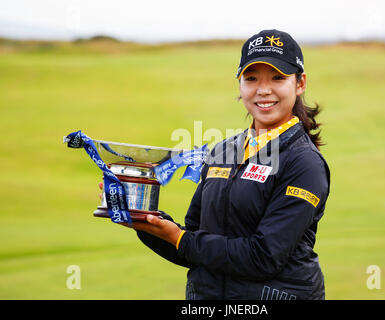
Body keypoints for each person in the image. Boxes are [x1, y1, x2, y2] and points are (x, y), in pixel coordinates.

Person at [110, 29, 330, 300]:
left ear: (300, 83)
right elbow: (194, 245)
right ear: (240, 84)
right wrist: (145, 220)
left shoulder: (304, 162)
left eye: (278, 77)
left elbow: (263, 257)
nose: (263, 89)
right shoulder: (223, 151)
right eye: (251, 78)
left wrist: (179, 238)